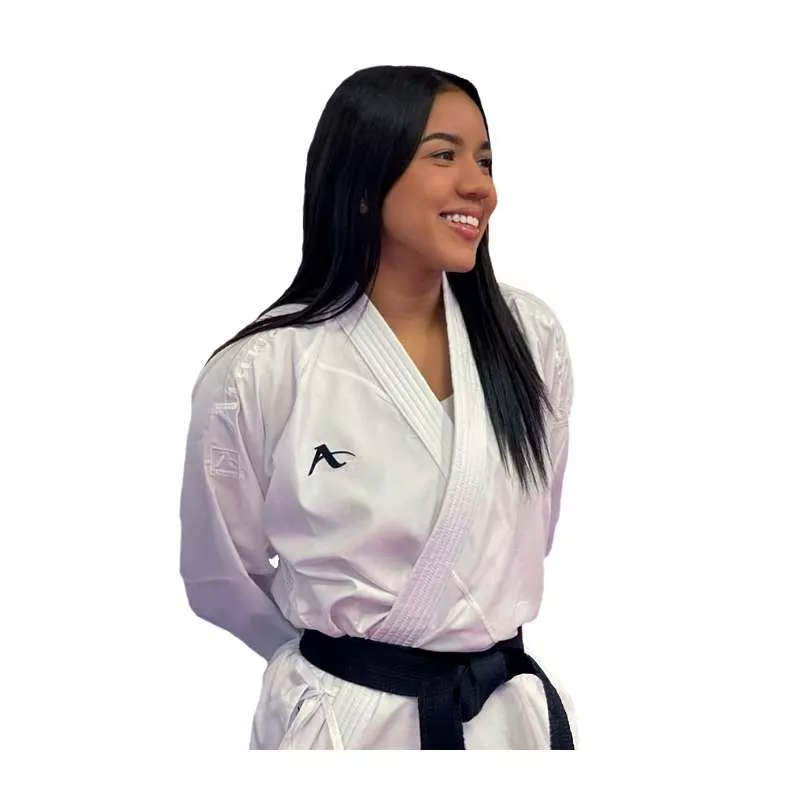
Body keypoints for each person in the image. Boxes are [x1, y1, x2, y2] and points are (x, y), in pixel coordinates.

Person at [179, 65, 577, 749]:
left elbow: (524, 535)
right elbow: (220, 574)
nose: (480, 186)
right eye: (444, 155)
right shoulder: (263, 370)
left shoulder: (530, 338)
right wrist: (345, 663)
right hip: (345, 724)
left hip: (507, 722)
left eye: (485, 161)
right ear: (363, 182)